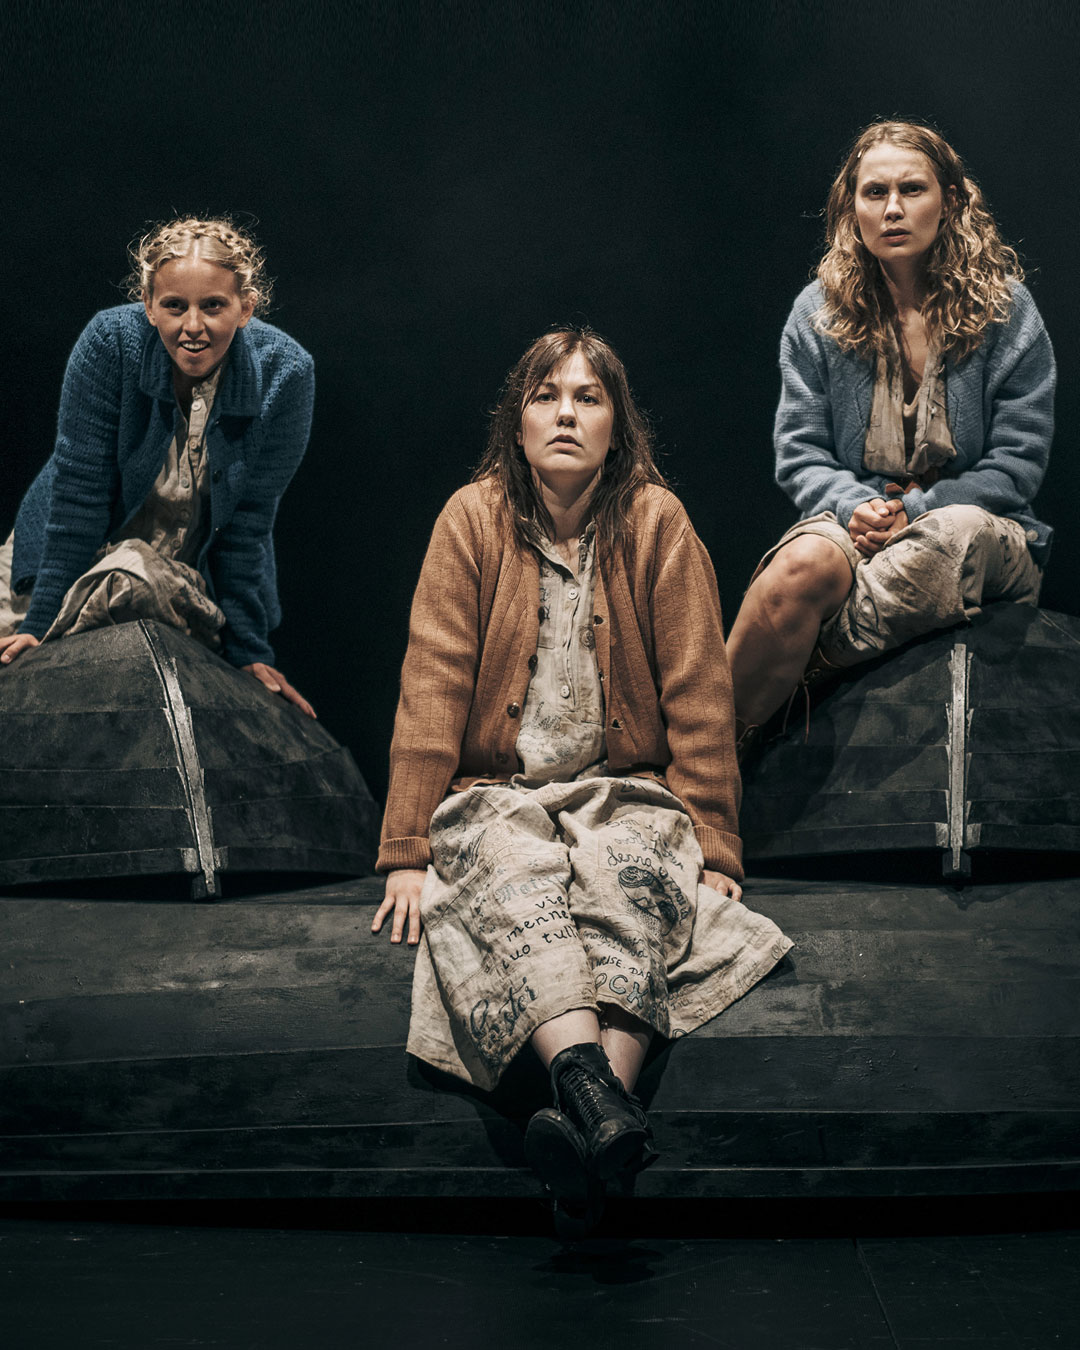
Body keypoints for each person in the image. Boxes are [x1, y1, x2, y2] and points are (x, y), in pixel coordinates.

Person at [372, 329, 791, 1232]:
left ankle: (590, 1120)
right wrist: (406, 847)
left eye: (588, 398)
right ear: (517, 422)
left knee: (629, 893)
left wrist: (715, 843)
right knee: (515, 884)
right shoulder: (471, 518)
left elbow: (699, 694)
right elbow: (432, 683)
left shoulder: (657, 522)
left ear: (617, 424)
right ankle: (607, 1115)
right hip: (495, 792)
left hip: (624, 788)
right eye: (546, 396)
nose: (566, 414)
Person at [726, 121, 1055, 752]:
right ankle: (704, 762)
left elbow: (1017, 465)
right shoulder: (816, 313)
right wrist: (857, 506)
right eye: (875, 192)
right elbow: (801, 453)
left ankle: (800, 672)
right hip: (861, 522)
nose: (893, 208)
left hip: (986, 529)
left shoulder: (1006, 310)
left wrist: (917, 508)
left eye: (912, 189)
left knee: (949, 539)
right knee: (799, 566)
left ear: (950, 201)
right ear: (852, 208)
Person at [0, 217, 315, 715]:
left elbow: (247, 527)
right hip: (62, 556)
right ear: (148, 305)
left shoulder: (286, 374)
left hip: (170, 573)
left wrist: (248, 649)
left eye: (213, 305)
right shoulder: (110, 341)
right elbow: (79, 495)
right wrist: (40, 624)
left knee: (136, 579)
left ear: (246, 308)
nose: (193, 326)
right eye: (174, 306)